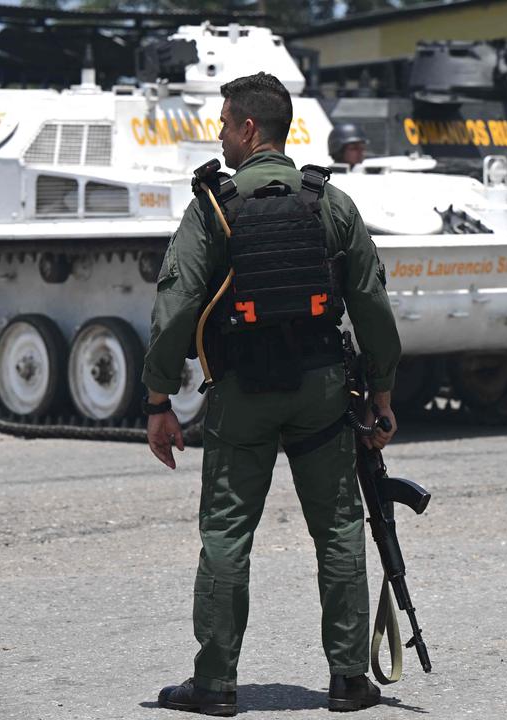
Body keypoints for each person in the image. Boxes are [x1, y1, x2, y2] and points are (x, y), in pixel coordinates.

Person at [141, 72, 402, 715]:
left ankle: (215, 685)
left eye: (225, 123)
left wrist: (157, 401)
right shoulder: (330, 202)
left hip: (243, 392)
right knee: (339, 528)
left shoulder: (214, 205)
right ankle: (348, 680)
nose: (220, 134)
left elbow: (175, 309)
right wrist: (382, 394)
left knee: (228, 535)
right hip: (321, 390)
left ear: (249, 128)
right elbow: (370, 303)